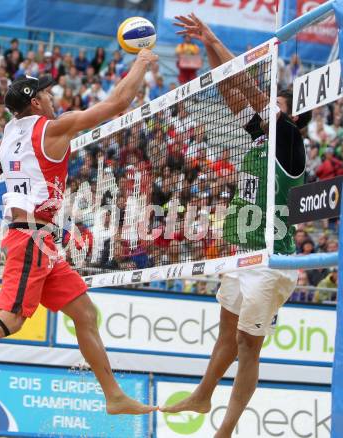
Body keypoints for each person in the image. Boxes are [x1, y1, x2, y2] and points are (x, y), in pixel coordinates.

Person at [0, 48, 159, 417]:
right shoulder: (52, 128)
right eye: (46, 93)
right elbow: (118, 102)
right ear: (35, 102)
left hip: (40, 241)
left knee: (84, 312)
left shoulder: (8, 135)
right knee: (11, 319)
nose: (52, 97)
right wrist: (141, 62)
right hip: (29, 238)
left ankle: (113, 395)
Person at [160, 15, 312, 438]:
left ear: (293, 117)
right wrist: (208, 48)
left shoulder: (291, 142)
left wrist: (212, 36)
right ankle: (203, 395)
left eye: (277, 105)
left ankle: (226, 429)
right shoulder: (261, 136)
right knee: (225, 337)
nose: (270, 108)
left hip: (271, 261)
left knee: (248, 347)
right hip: (241, 252)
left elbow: (247, 85)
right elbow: (230, 87)